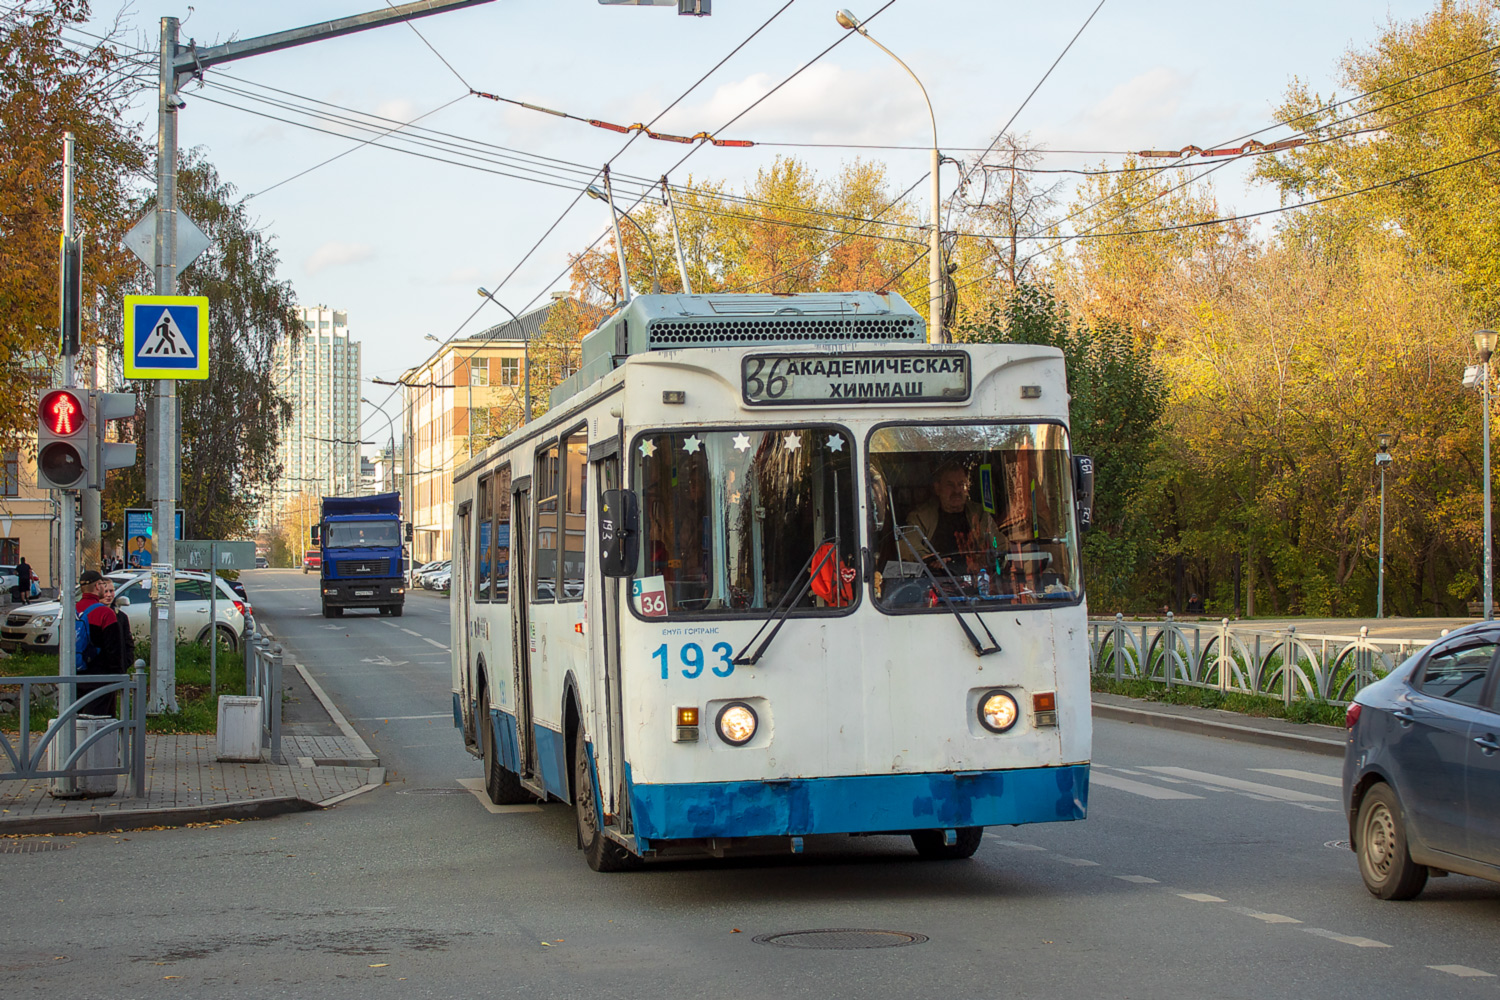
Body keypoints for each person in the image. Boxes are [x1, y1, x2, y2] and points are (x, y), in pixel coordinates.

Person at [901, 462, 998, 575]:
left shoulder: (980, 514)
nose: (957, 491)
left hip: (979, 581)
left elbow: (999, 544)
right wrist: (929, 558)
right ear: (937, 488)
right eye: (950, 485)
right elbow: (907, 544)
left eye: (961, 484)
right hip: (937, 583)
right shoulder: (920, 517)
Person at [74, 570, 122, 718]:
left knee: (77, 722)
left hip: (75, 675)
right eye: (102, 584)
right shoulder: (105, 613)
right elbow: (114, 648)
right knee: (99, 721)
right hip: (100, 678)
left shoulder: (72, 611)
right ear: (97, 586)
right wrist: (118, 675)